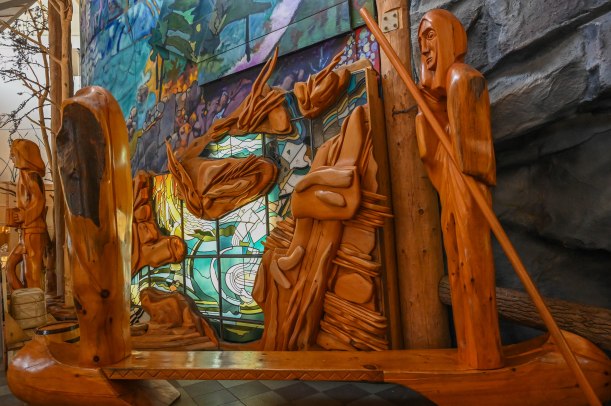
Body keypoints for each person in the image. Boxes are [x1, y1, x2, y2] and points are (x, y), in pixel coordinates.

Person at [415, 9, 503, 369]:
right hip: (450, 188)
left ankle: (483, 353)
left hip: (468, 189)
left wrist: (451, 128)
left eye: (430, 36)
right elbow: (431, 152)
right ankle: (468, 351)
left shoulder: (465, 79)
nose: (424, 47)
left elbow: (475, 153)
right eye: (420, 40)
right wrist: (429, 111)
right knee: (456, 263)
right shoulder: (440, 89)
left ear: (450, 37)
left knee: (472, 262)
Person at [6, 139, 48, 291]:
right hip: (26, 231)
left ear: (23, 155)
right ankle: (25, 298)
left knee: (31, 272)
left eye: (13, 154)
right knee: (10, 266)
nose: (11, 158)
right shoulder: (23, 175)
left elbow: (39, 200)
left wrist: (25, 216)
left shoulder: (32, 176)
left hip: (34, 231)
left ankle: (33, 302)